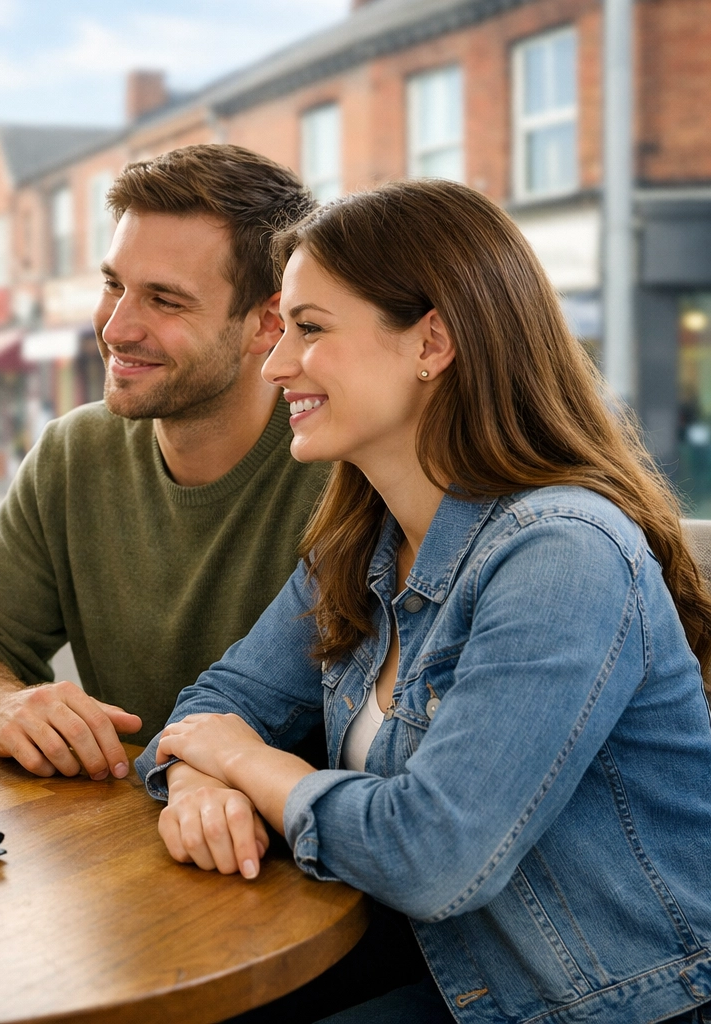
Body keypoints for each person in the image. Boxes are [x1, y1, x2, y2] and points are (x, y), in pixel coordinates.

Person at [139, 179, 711, 1023]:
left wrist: (252, 766)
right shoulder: (359, 543)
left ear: (431, 342)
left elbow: (433, 854)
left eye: (310, 328)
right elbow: (215, 709)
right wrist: (196, 784)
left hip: (608, 1007)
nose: (275, 364)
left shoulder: (561, 553)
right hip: (460, 978)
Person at [0, 144, 328, 780]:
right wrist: (1, 704)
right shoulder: (73, 454)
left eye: (165, 300)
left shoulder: (343, 470)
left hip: (291, 855)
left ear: (269, 323)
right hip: (129, 840)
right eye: (113, 285)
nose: (116, 326)